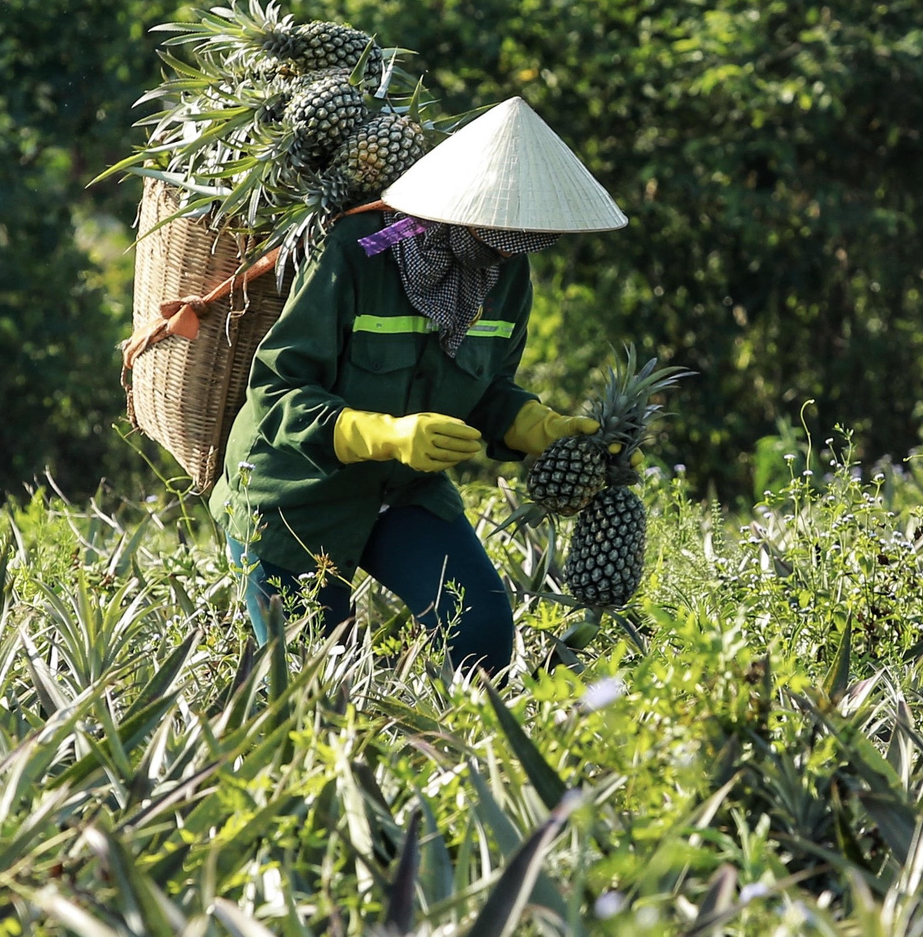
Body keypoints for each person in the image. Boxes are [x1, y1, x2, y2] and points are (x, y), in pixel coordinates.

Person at [210, 97, 626, 673]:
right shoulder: (356, 253)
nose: (516, 241)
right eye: (505, 220)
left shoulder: (506, 275)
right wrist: (381, 434)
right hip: (293, 496)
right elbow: (278, 392)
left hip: (402, 491)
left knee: (480, 633)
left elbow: (488, 389)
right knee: (316, 675)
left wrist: (541, 427)